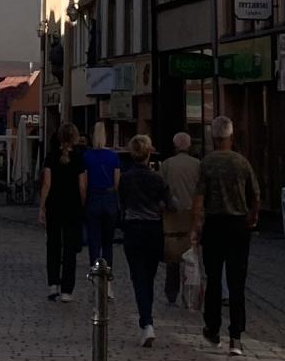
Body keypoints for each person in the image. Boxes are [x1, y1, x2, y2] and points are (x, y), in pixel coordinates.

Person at [191, 114, 261, 355]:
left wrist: (197, 226)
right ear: (231, 136)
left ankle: (212, 328)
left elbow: (199, 197)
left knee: (213, 279)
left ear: (213, 137)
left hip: (214, 224)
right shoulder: (242, 163)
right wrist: (252, 217)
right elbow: (255, 196)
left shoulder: (207, 163)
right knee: (236, 281)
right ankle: (236, 337)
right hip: (238, 226)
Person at [116, 135, 174, 344]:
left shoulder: (126, 178)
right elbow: (171, 204)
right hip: (153, 231)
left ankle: (147, 323)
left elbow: (121, 204)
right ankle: (147, 319)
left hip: (133, 230)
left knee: (138, 277)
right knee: (148, 277)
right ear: (149, 153)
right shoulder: (157, 178)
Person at [38, 123, 86, 300]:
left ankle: (53, 284)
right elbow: (82, 185)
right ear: (75, 138)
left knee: (53, 245)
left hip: (54, 206)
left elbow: (47, 184)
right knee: (70, 248)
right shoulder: (79, 158)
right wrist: (82, 204)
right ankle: (67, 289)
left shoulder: (51, 157)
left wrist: (42, 207)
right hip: (72, 207)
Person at [159, 129, 202, 304]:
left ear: (175, 146)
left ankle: (172, 293)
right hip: (192, 214)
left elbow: (161, 190)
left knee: (172, 258)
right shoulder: (197, 165)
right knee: (191, 256)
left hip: (172, 216)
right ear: (189, 146)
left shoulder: (167, 164)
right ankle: (190, 292)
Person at [82, 117, 122, 271]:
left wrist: (84, 202)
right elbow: (117, 182)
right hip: (109, 198)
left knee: (94, 238)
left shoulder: (87, 156)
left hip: (93, 197)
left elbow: (84, 182)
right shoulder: (113, 156)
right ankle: (107, 268)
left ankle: (94, 266)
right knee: (108, 239)